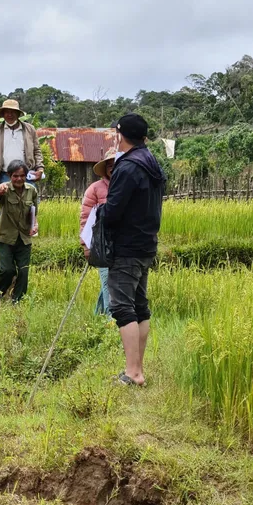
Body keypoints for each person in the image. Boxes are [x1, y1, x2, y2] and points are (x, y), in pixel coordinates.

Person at [100, 113, 165, 387]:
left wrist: (100, 211)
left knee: (123, 308)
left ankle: (133, 372)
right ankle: (137, 369)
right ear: (144, 137)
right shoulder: (152, 163)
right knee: (140, 306)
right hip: (146, 243)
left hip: (126, 246)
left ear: (120, 134)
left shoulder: (127, 167)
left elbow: (113, 212)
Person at [0, 160, 39, 307]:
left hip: (24, 238)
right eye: (15, 176)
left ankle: (16, 302)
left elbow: (34, 211)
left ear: (26, 176)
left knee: (23, 272)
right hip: (6, 237)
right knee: (7, 270)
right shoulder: (5, 189)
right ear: (10, 176)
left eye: (22, 176)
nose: (19, 179)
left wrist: (35, 224)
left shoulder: (32, 190)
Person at [80, 150, 116, 315]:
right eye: (110, 165)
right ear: (105, 169)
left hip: (122, 244)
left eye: (116, 164)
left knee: (113, 284)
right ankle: (110, 323)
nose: (113, 168)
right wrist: (86, 247)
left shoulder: (126, 186)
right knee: (108, 284)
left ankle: (97, 317)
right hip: (101, 245)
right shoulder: (95, 189)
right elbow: (86, 219)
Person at [0, 99, 44, 189]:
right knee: (7, 201)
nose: (10, 115)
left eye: (13, 112)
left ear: (18, 114)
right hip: (4, 174)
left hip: (27, 175)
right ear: (3, 114)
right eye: (7, 112)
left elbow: (37, 151)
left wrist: (40, 169)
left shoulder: (30, 129)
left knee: (30, 202)